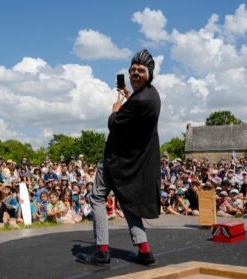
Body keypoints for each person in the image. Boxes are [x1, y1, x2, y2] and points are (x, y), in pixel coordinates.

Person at [76, 49, 160, 266]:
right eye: (132, 70)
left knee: (96, 198)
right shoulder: (152, 95)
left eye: (140, 71)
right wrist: (128, 94)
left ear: (149, 73)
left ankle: (102, 251)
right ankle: (144, 250)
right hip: (131, 164)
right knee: (127, 202)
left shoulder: (137, 102)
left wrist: (115, 109)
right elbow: (138, 104)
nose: (134, 74)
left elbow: (114, 123)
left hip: (115, 160)